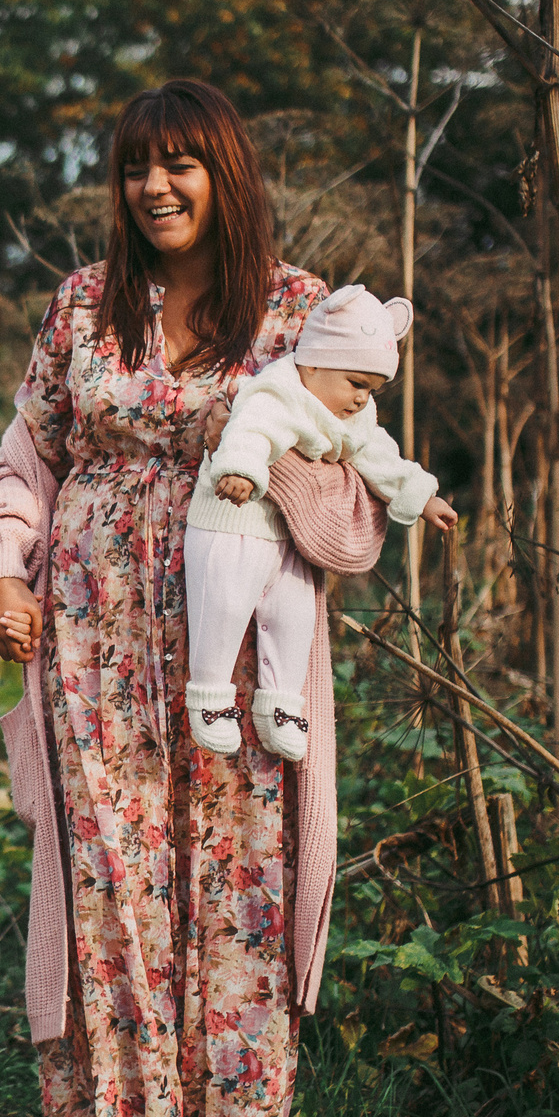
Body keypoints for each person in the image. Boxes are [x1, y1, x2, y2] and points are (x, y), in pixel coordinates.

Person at [0, 79, 341, 1117]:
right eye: (135, 167)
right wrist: (4, 567)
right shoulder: (84, 305)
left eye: (180, 163)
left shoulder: (298, 311)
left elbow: (345, 464)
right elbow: (27, 458)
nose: (155, 187)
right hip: (93, 636)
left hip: (233, 641)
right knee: (113, 883)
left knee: (235, 879)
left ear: (227, 173)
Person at [184, 283, 456, 762]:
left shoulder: (353, 415)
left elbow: (378, 454)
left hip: (289, 538)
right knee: (223, 604)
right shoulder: (277, 390)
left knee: (293, 619)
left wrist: (423, 494)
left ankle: (282, 704)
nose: (360, 399)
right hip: (233, 522)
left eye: (371, 389)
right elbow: (249, 431)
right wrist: (241, 471)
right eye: (354, 383)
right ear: (312, 363)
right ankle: (209, 695)